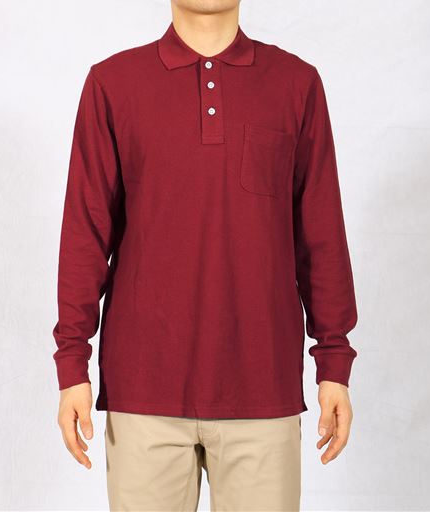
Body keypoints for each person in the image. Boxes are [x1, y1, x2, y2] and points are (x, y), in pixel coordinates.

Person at [52, 1, 359, 510]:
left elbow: (321, 233)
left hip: (262, 386)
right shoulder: (113, 84)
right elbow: (85, 234)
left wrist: (334, 361)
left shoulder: (296, 84)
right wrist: (72, 364)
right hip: (144, 388)